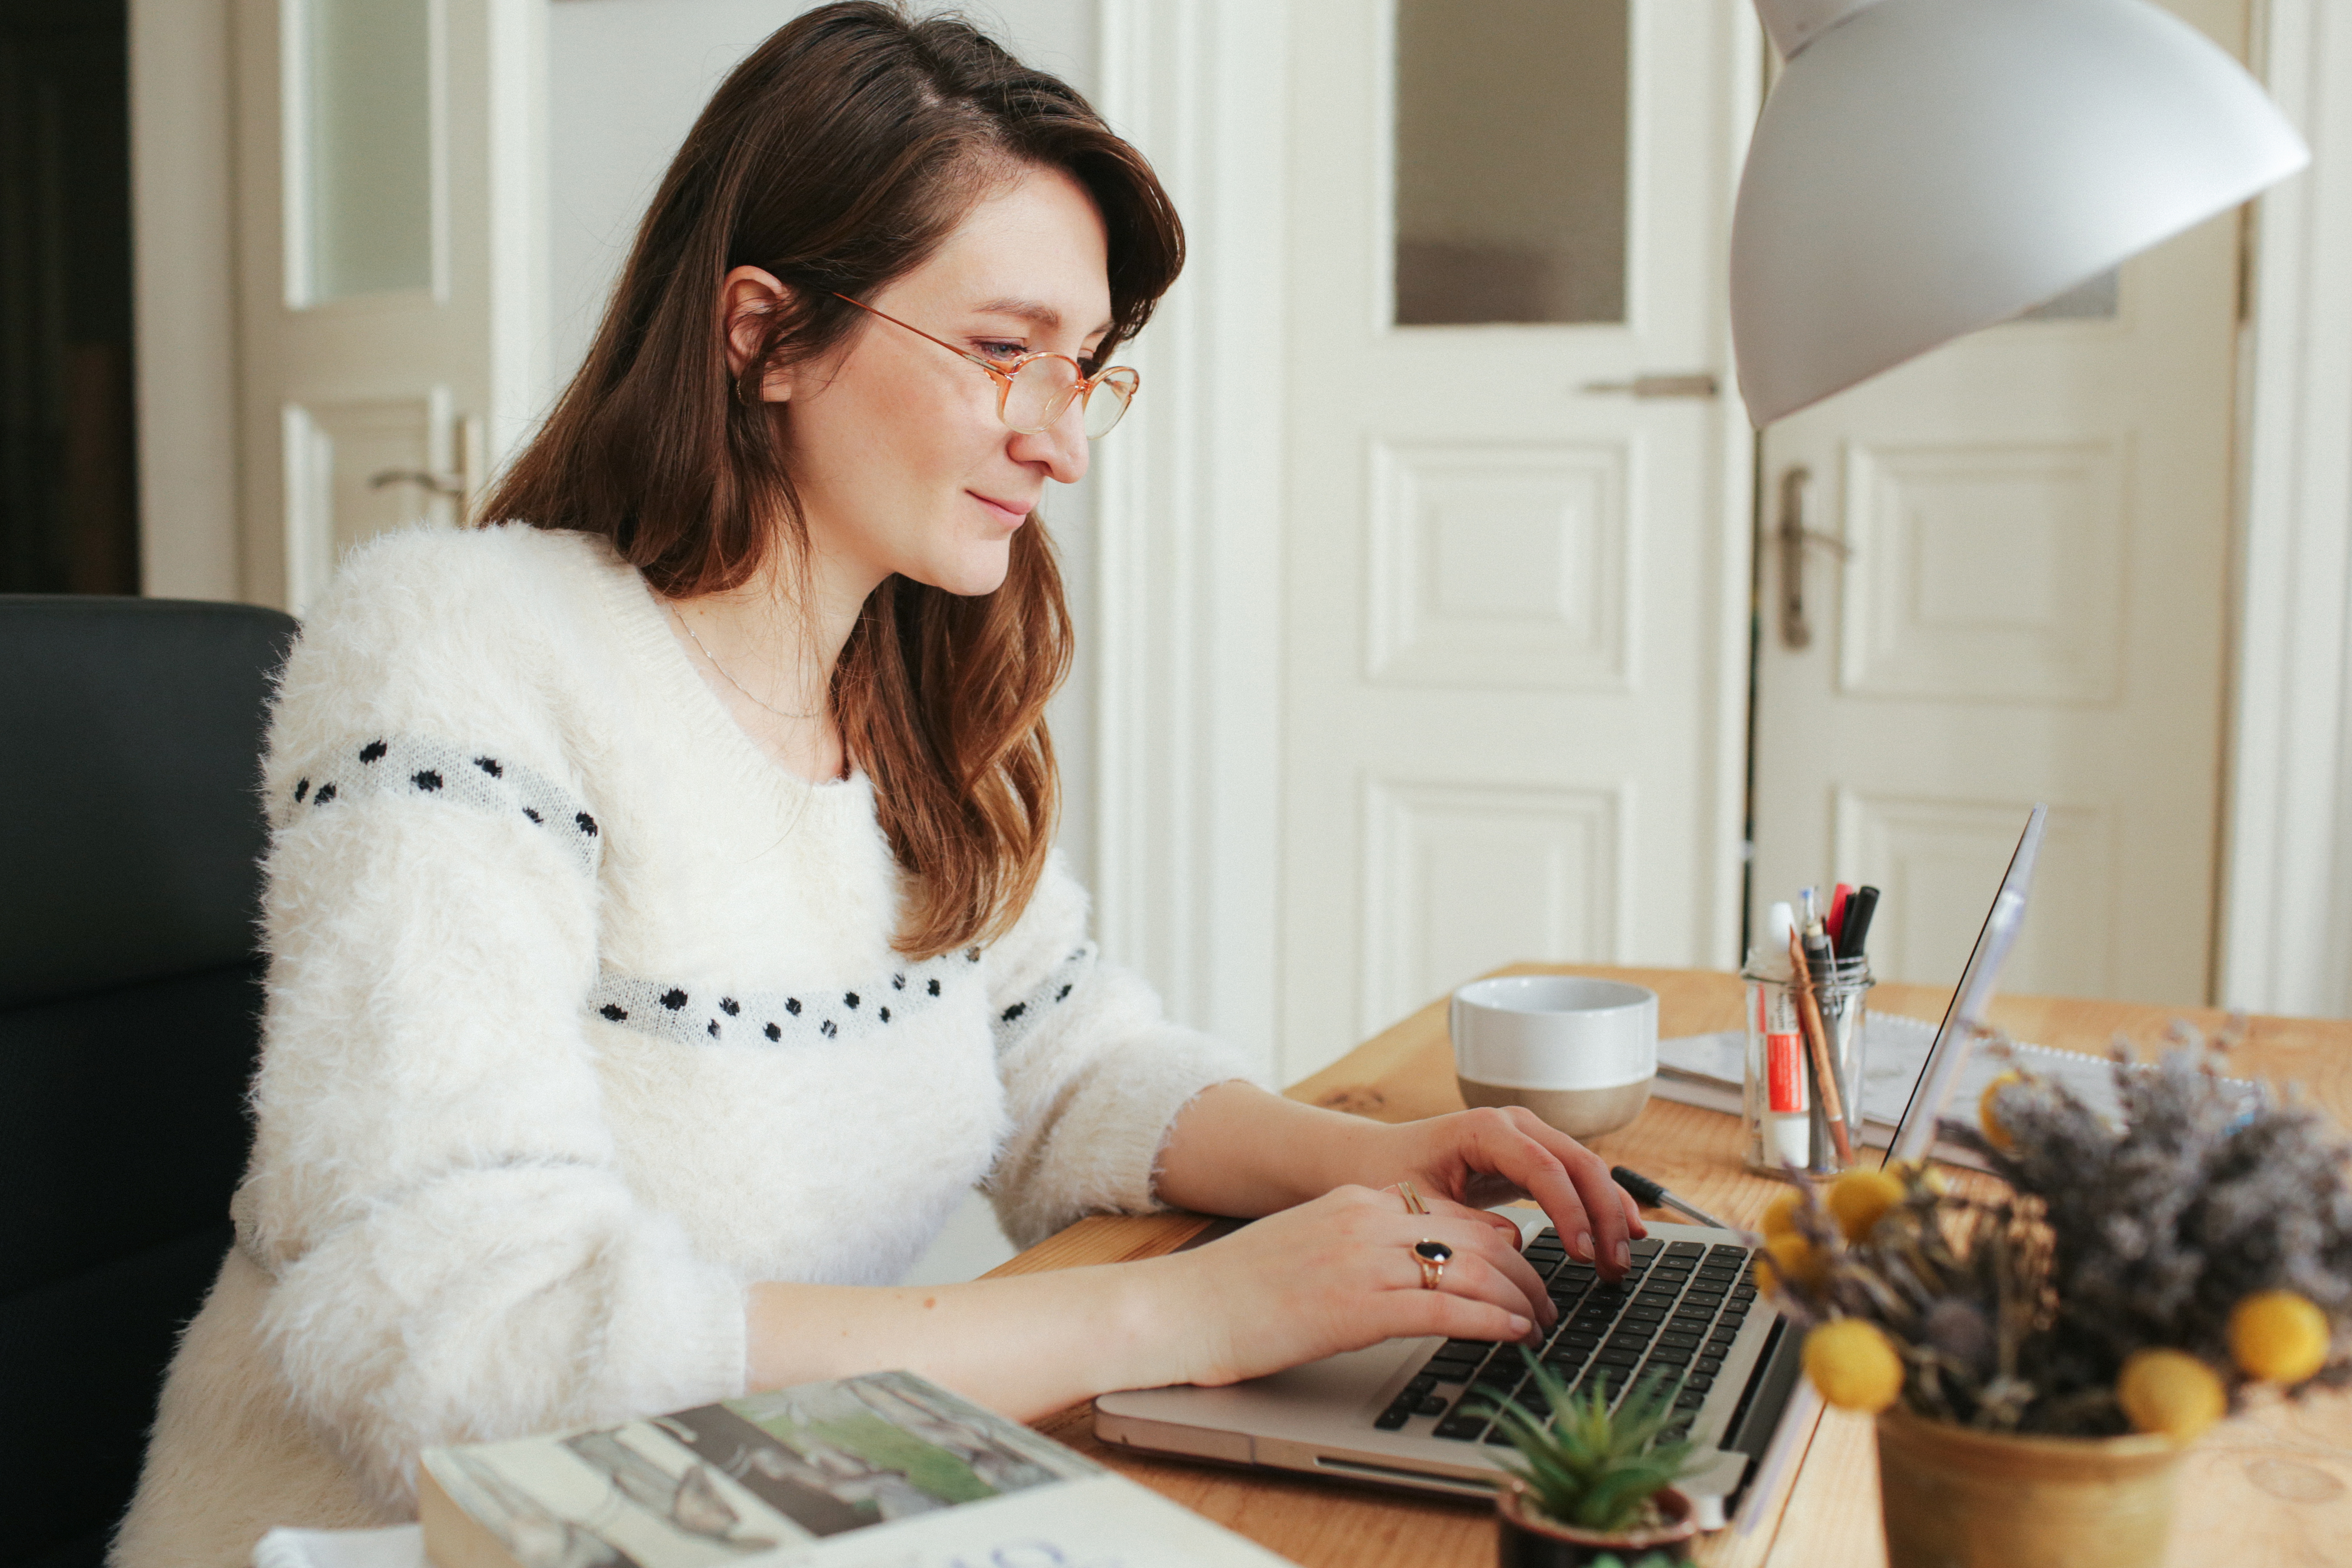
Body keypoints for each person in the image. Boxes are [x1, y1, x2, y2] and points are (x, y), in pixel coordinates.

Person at [113, 8, 1641, 1564]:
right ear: (765, 334)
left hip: (768, 1511)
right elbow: (471, 1338)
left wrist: (1361, 1158)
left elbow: (1060, 1055)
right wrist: (1176, 1312)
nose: (1062, 444)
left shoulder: (906, 700)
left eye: (1083, 369)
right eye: (1001, 351)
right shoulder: (460, 645)